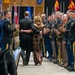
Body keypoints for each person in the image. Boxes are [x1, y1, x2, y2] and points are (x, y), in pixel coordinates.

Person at [2, 11, 18, 75]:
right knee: (5, 54)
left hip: (5, 39)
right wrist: (15, 28)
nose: (11, 14)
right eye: (9, 13)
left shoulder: (5, 21)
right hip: (6, 40)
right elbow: (9, 30)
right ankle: (5, 67)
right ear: (6, 14)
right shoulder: (6, 21)